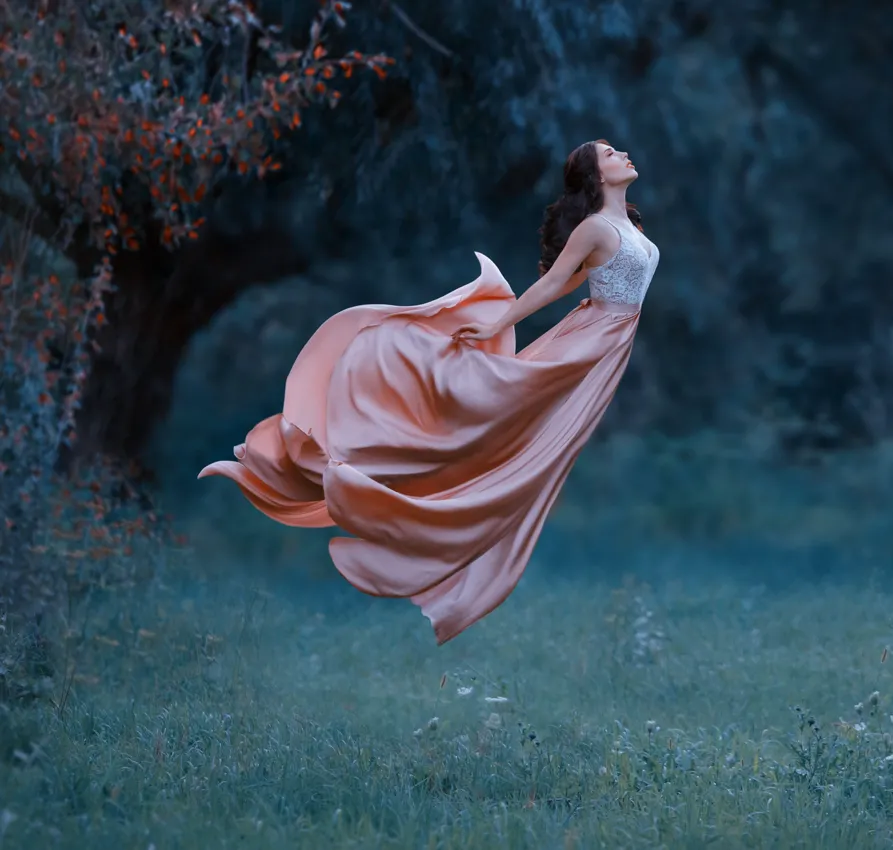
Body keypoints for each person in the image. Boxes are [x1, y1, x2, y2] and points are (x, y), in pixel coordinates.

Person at [198, 140, 658, 644]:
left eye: (620, 152)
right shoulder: (595, 227)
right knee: (512, 426)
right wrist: (498, 323)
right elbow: (552, 286)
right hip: (591, 342)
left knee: (537, 451)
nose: (624, 156)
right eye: (611, 154)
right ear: (596, 175)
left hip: (608, 344)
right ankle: (370, 436)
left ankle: (430, 494)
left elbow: (578, 280)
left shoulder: (629, 227)